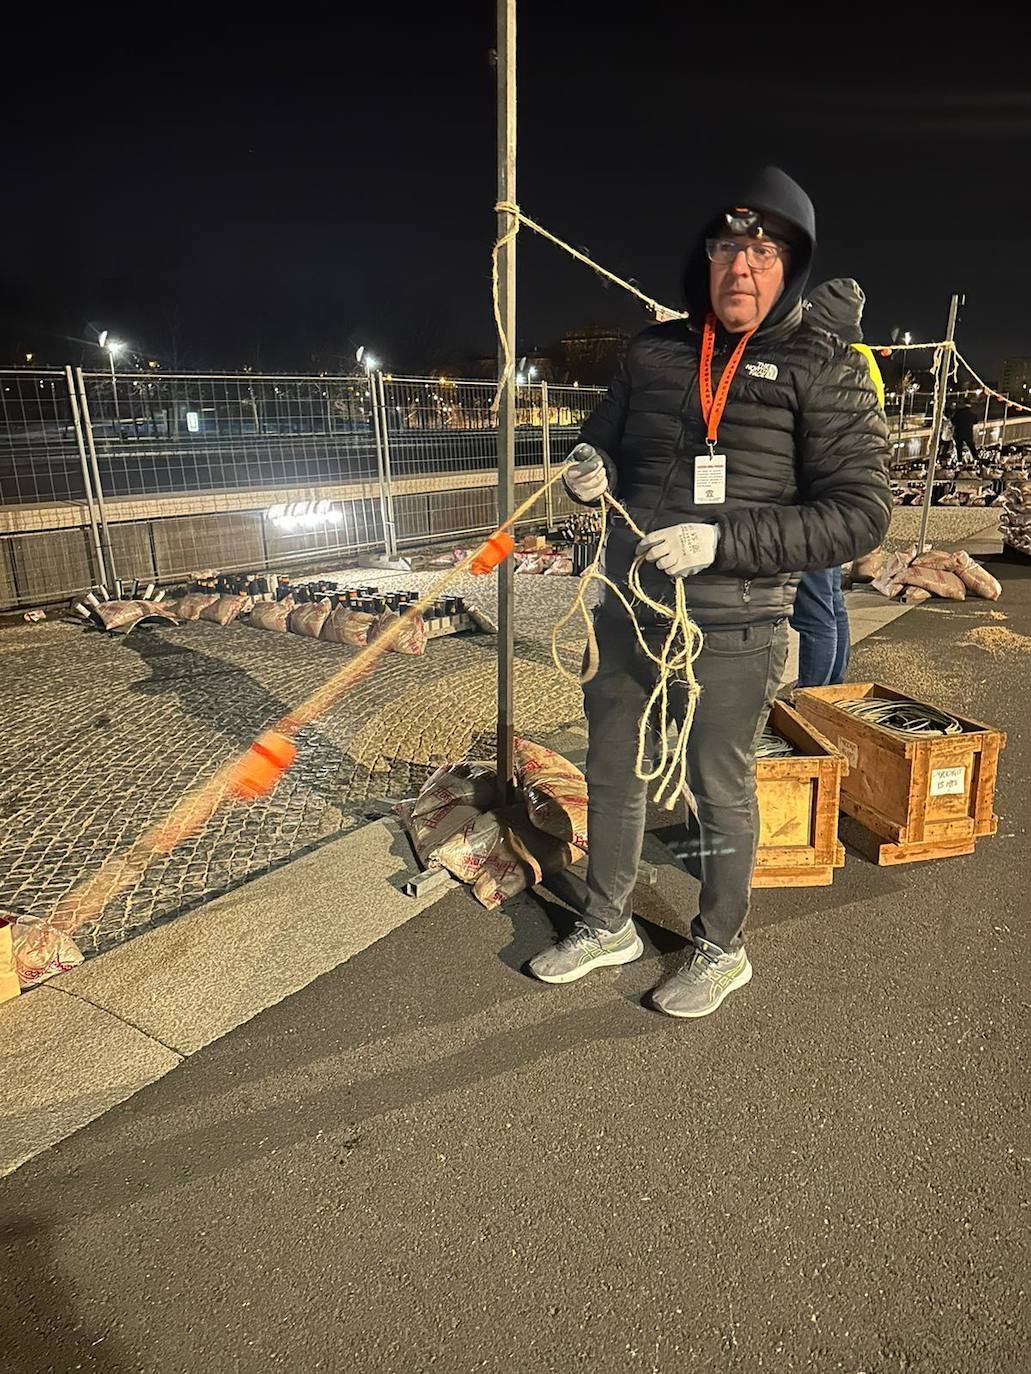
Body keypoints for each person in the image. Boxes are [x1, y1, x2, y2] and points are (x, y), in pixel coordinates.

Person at [529, 166, 892, 1018]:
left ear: (789, 266)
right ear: (706, 257)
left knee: (717, 787)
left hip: (733, 621)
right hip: (630, 606)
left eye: (762, 252)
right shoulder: (652, 349)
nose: (741, 267)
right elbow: (604, 442)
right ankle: (606, 920)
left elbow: (860, 514)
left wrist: (724, 543)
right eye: (729, 247)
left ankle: (721, 946)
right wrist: (589, 470)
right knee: (611, 770)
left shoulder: (823, 367)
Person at [790, 278, 885, 687]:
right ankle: (833, 692)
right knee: (830, 601)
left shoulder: (839, 363)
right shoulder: (862, 360)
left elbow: (815, 433)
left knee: (813, 613)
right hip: (842, 500)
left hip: (820, 500)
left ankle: (812, 704)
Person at [951, 399, 980, 464]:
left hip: (958, 432)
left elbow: (953, 421)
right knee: (971, 446)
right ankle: (976, 459)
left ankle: (959, 461)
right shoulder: (972, 414)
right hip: (968, 433)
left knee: (958, 447)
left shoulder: (958, 413)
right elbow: (976, 421)